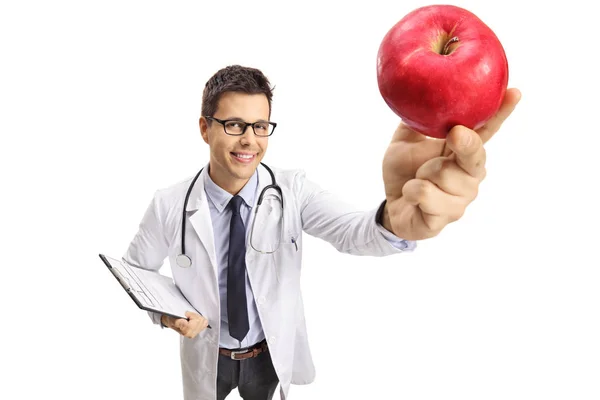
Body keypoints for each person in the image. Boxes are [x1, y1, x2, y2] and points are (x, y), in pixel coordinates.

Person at [122, 64, 521, 400]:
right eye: (234, 124)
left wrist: (393, 221)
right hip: (208, 355)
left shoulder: (292, 190)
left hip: (266, 355)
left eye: (261, 126)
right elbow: (138, 270)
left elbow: (353, 231)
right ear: (205, 129)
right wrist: (170, 314)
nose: (249, 140)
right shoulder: (169, 203)